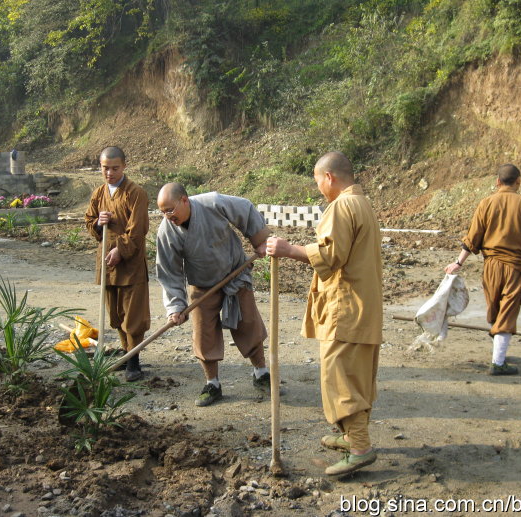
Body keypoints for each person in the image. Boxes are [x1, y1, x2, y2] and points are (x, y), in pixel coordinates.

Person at [266, 151, 383, 477]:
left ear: (328, 177)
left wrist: (289, 250)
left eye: (317, 181)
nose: (318, 187)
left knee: (342, 378)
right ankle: (350, 437)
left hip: (347, 309)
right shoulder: (362, 204)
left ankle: (359, 448)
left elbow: (331, 255)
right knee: (354, 375)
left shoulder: (342, 206)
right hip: (360, 306)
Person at [155, 183, 272, 407]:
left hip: (235, 273)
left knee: (248, 323)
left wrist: (260, 241)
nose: (168, 216)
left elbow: (245, 209)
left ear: (184, 200)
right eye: (162, 212)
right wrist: (176, 307)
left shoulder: (213, 202)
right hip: (202, 285)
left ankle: (261, 373)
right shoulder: (166, 231)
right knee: (203, 333)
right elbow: (169, 272)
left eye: (170, 209)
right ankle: (213, 384)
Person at [444, 163, 521, 375]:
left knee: (496, 308)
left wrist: (458, 263)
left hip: (491, 267)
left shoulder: (486, 203)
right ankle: (498, 362)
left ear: (497, 182)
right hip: (516, 267)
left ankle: (500, 353)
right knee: (508, 310)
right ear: (518, 182)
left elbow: (473, 237)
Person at [84, 146, 150, 382]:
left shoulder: (135, 193)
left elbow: (138, 229)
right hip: (108, 264)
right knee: (116, 313)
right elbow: (90, 221)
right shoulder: (99, 193)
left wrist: (120, 251)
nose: (109, 173)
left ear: (124, 166)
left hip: (130, 265)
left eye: (115, 168)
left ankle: (134, 362)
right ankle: (124, 354)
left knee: (133, 315)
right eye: (105, 168)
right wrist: (97, 222)